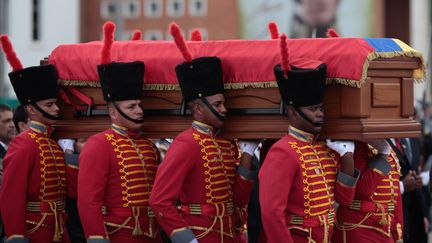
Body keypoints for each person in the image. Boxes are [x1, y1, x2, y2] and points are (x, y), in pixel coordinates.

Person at [149, 23, 258, 243]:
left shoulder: (226, 144)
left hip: (230, 235)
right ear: (198, 108)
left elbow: (237, 200)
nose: (224, 109)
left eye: (224, 103)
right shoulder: (187, 142)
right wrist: (186, 239)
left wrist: (247, 154)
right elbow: (159, 200)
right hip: (200, 236)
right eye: (217, 105)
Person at [258, 33, 360, 243]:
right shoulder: (282, 152)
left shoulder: (325, 149)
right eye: (314, 109)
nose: (320, 114)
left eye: (321, 108)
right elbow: (271, 214)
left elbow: (345, 199)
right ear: (293, 112)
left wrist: (347, 156)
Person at [77, 21, 161, 243]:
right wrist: (97, 238)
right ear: (113, 113)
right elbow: (88, 201)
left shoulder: (148, 146)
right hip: (117, 235)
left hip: (149, 233)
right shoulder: (99, 145)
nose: (139, 111)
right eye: (131, 107)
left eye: (139, 105)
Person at [0, 35, 70, 242]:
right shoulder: (24, 143)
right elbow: (11, 194)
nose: (56, 109)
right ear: (31, 109)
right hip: (34, 230)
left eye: (55, 103)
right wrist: (16, 235)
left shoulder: (51, 142)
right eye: (49, 105)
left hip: (57, 227)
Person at [332, 140, 404, 243]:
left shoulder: (388, 148)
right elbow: (363, 191)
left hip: (385, 227)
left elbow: (395, 198)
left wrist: (398, 233)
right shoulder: (358, 146)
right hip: (358, 225)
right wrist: (382, 155)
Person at [389, 138, 428, 243]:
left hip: (413, 211)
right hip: (394, 213)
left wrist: (424, 214)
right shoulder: (380, 142)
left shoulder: (410, 138)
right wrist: (401, 185)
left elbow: (413, 170)